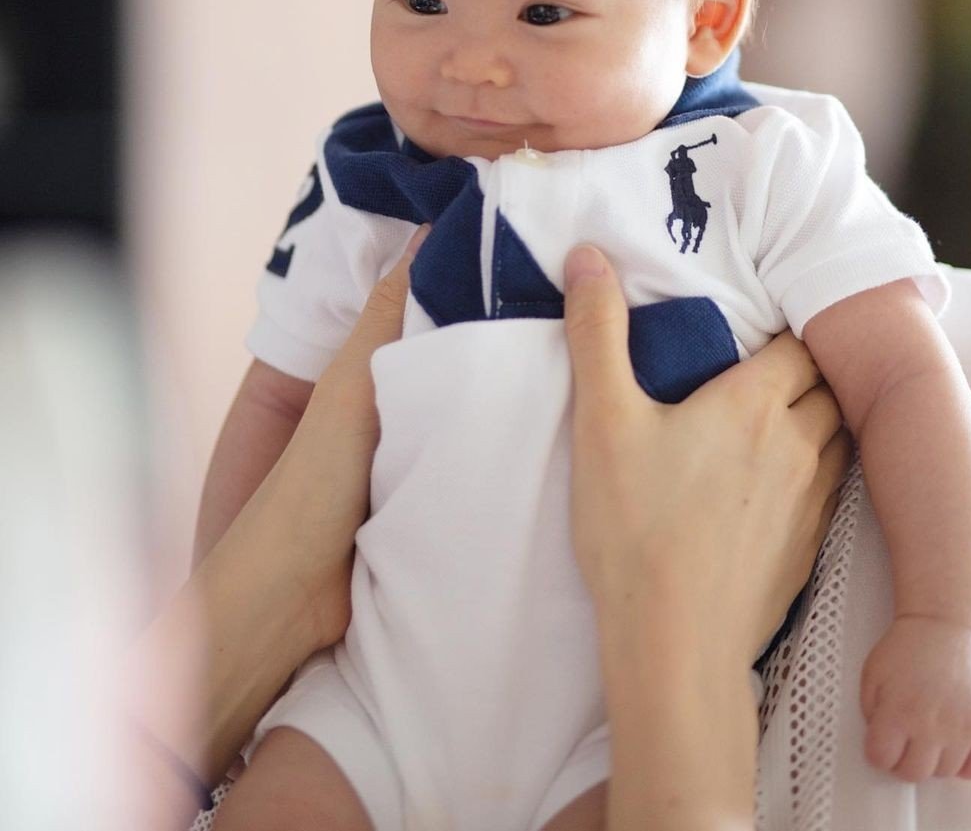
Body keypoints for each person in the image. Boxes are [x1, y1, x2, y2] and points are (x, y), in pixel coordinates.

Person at [200, 0, 971, 829]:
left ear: (706, 18)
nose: (470, 60)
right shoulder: (372, 178)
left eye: (544, 12)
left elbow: (904, 378)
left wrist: (952, 619)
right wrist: (217, 641)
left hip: (619, 724)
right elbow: (274, 407)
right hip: (368, 701)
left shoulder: (758, 165)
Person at [124, 237, 852, 831]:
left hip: (590, 730)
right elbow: (278, 387)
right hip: (385, 692)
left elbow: (899, 349)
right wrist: (684, 650)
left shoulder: (768, 154)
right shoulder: (378, 164)